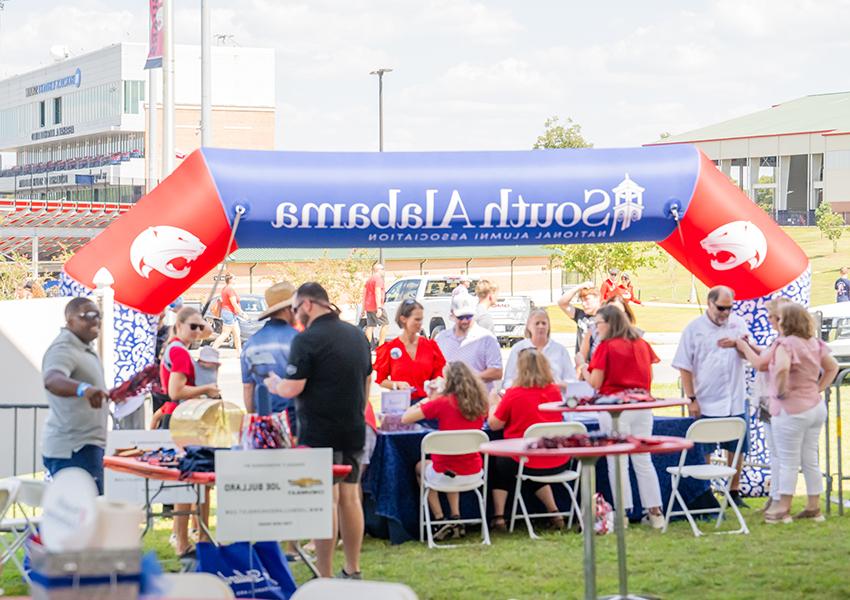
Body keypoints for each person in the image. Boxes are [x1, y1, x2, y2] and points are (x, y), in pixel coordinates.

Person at [265, 283, 372, 579]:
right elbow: (366, 382)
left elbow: (293, 387)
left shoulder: (306, 340)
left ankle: (324, 575)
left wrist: (274, 384)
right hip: (352, 426)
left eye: (296, 309)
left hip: (319, 431)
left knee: (326, 500)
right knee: (351, 498)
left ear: (309, 304)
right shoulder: (357, 335)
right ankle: (353, 568)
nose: (296, 316)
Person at [736, 303, 838, 523]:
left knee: (787, 460)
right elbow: (833, 367)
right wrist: (818, 388)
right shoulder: (814, 343)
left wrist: (781, 390)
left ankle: (782, 507)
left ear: (787, 321)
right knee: (810, 459)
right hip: (815, 406)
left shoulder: (785, 344)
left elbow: (781, 368)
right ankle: (814, 506)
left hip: (790, 408)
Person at [578, 305, 664, 527]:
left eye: (598, 323)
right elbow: (650, 375)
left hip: (614, 406)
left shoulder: (607, 347)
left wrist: (583, 368)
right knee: (643, 459)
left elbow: (596, 382)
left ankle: (623, 514)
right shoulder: (642, 344)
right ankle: (655, 512)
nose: (596, 328)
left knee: (618, 462)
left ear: (609, 323)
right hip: (642, 405)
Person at [672, 285, 750, 507]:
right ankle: (706, 492)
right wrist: (691, 398)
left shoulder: (738, 323)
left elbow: (750, 352)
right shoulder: (694, 329)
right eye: (721, 308)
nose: (725, 313)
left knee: (737, 445)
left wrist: (739, 344)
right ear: (709, 303)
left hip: (735, 396)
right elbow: (684, 365)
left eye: (729, 308)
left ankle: (733, 491)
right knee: (704, 444)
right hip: (707, 397)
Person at [400, 361, 489, 540]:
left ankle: (440, 519)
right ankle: (455, 518)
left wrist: (427, 400)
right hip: (474, 471)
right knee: (450, 466)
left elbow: (406, 418)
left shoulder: (442, 403)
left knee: (422, 467)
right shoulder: (481, 404)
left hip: (445, 470)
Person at [156, 306, 219, 557]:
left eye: (199, 326)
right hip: (182, 418)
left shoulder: (174, 346)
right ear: (178, 325)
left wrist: (200, 326)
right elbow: (175, 391)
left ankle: (190, 536)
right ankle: (184, 540)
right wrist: (207, 389)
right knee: (190, 481)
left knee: (192, 481)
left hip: (180, 417)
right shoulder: (180, 352)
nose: (197, 331)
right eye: (192, 326)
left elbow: (207, 333)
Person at [488, 349, 570, 531]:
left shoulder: (514, 393)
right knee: (529, 465)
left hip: (528, 459)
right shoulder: (554, 392)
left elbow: (494, 425)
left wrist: (493, 404)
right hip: (558, 459)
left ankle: (499, 516)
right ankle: (554, 512)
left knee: (499, 463)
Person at [41, 298, 113, 495]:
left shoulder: (85, 348)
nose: (95, 320)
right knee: (82, 517)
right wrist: (84, 389)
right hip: (74, 448)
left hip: (88, 445)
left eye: (99, 315)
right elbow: (52, 379)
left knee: (85, 516)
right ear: (70, 320)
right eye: (88, 315)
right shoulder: (63, 348)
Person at [241, 281, 299, 435]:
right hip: (295, 420)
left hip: (265, 420)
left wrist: (253, 418)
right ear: (289, 309)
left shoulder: (251, 343)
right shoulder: (298, 340)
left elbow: (248, 387)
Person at [374, 299, 446, 403]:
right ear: (403, 319)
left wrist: (435, 384)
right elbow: (381, 380)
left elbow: (441, 375)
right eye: (416, 319)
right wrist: (396, 385)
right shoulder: (390, 348)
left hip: (427, 405)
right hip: (400, 405)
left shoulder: (430, 346)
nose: (420, 323)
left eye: (421, 319)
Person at [435, 294, 502, 390]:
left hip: (478, 398)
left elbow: (497, 372)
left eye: (469, 316)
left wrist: (466, 380)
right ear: (452, 314)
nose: (465, 321)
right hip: (449, 398)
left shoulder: (486, 338)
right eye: (461, 317)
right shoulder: (441, 338)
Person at [502, 308, 575, 389]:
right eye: (537, 323)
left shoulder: (560, 350)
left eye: (544, 323)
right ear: (529, 326)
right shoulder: (518, 349)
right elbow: (507, 382)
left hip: (553, 397)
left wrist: (555, 386)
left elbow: (571, 380)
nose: (541, 326)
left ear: (549, 326)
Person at [557, 283, 601, 356]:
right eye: (582, 300)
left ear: (597, 298)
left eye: (587, 299)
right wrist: (578, 287)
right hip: (582, 364)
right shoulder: (580, 315)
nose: (583, 304)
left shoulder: (606, 317)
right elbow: (562, 303)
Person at [212, 274, 245, 352]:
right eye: (235, 278)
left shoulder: (225, 288)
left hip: (231, 314)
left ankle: (240, 353)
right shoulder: (229, 289)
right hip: (229, 313)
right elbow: (234, 303)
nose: (236, 280)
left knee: (237, 333)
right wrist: (242, 313)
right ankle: (211, 351)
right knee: (225, 334)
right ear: (230, 280)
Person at [362, 263, 387, 350]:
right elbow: (377, 292)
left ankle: (366, 347)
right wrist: (379, 307)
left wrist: (363, 309)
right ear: (378, 270)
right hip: (376, 306)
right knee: (385, 324)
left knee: (370, 326)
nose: (384, 271)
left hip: (369, 306)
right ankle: (381, 346)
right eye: (383, 269)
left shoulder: (369, 280)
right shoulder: (378, 279)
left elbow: (364, 294)